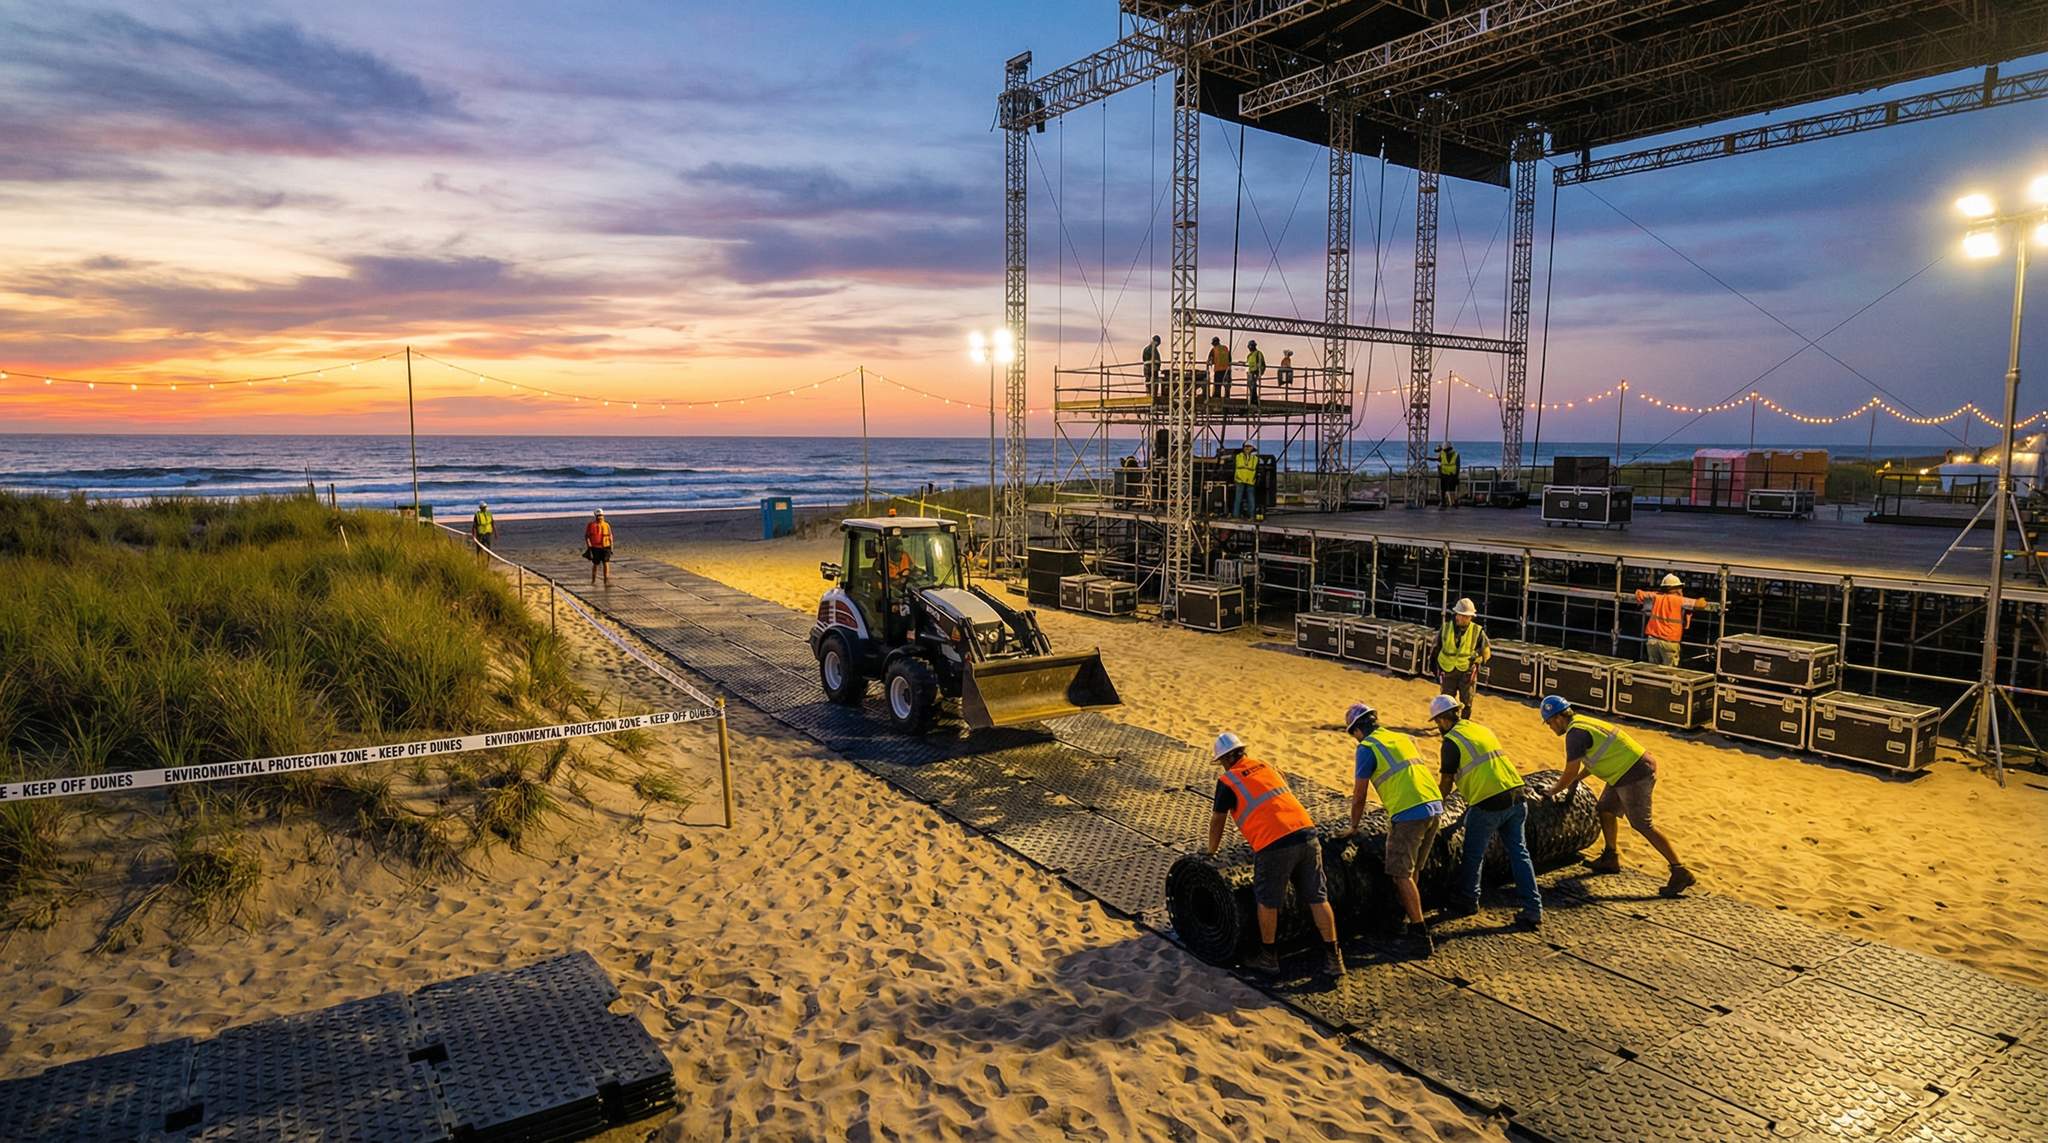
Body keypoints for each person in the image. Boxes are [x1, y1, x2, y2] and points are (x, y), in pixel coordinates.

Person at [1204, 732, 1346, 977]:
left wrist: (1211, 852)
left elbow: (1218, 820)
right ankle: (1334, 958)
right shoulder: (1268, 766)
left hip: (1274, 843)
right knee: (1317, 897)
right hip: (1307, 833)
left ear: (1225, 759)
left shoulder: (1228, 780)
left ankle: (1268, 957)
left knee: (1267, 900)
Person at [1540, 695, 1697, 897]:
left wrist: (1553, 790)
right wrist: (1578, 779)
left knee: (1642, 824)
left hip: (1634, 773)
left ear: (1559, 718)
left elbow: (1569, 770)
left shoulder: (1575, 734)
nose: (1551, 727)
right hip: (1625, 770)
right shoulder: (1583, 723)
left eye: (1550, 722)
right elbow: (1596, 757)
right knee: (1605, 809)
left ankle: (1679, 870)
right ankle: (1610, 857)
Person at [1428, 695, 1541, 930]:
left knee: (1473, 853)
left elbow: (1447, 783)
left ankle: (1468, 899)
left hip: (1488, 803)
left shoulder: (1451, 742)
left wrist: (1435, 807)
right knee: (1520, 853)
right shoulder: (1479, 729)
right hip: (1517, 793)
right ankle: (1533, 908)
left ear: (1441, 719)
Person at [1339, 703, 1441, 958]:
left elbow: (1360, 793)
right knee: (1412, 869)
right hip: (1434, 804)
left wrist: (1353, 826)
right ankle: (1404, 919)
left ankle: (1420, 935)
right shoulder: (1399, 737)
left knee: (1399, 875)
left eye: (1353, 735)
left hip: (1410, 812)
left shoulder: (1367, 748)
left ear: (1358, 730)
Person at [1634, 573, 1714, 667]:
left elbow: (1640, 594)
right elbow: (1700, 604)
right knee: (1669, 672)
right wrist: (1703, 598)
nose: (1681, 589)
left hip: (1652, 641)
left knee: (1653, 669)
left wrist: (1638, 593)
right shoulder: (1680, 600)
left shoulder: (1656, 596)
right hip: (1669, 641)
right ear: (1675, 588)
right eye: (1680, 587)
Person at [1436, 597, 1489, 717]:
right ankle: (1447, 724)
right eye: (1458, 615)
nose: (1458, 617)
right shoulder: (1445, 628)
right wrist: (1435, 666)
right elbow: (1436, 647)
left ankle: (1464, 724)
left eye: (1463, 615)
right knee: (1446, 702)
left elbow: (1486, 650)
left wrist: (1480, 659)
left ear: (1469, 617)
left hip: (1467, 671)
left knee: (1467, 702)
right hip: (1448, 670)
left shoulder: (1477, 630)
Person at [583, 508, 613, 586]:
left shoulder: (606, 525)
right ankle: (593, 581)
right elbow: (587, 536)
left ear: (603, 516)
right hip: (595, 547)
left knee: (606, 563)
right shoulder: (591, 525)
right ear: (595, 516)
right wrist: (589, 546)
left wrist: (611, 546)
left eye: (601, 515)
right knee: (595, 564)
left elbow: (610, 535)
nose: (600, 517)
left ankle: (606, 580)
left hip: (606, 546)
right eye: (598, 516)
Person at [1232, 442, 1259, 520]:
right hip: (1241, 480)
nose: (1247, 448)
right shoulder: (1238, 456)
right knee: (1239, 499)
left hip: (1249, 480)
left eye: (1249, 446)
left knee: (1249, 499)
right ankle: (1237, 516)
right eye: (1246, 446)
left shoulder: (1255, 458)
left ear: (1252, 448)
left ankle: (1250, 516)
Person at [1436, 442, 1460, 509]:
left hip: (1452, 474)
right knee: (1443, 490)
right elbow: (1439, 458)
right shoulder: (1443, 453)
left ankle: (1454, 502)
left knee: (1452, 490)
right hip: (1444, 474)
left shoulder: (1456, 455)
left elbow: (1458, 466)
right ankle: (1444, 502)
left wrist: (1457, 476)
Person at [1207, 337, 1232, 401]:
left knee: (1217, 385)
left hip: (1218, 370)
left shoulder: (1214, 349)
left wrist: (1210, 363)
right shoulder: (1225, 348)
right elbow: (1230, 359)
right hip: (1227, 370)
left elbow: (1209, 360)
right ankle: (1227, 398)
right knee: (1227, 385)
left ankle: (1217, 398)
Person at [1244, 340, 1266, 405]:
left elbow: (1262, 364)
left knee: (1253, 386)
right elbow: (1248, 364)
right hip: (1249, 372)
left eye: (1250, 346)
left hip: (1254, 372)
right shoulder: (1249, 355)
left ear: (1253, 346)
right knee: (1250, 386)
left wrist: (1260, 373)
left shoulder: (1258, 353)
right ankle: (1253, 399)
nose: (1249, 348)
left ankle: (1254, 401)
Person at [1141, 334, 1162, 401]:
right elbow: (1147, 359)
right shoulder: (1151, 349)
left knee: (1150, 382)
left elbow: (1144, 359)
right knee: (1152, 382)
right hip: (1151, 369)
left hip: (1149, 369)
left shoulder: (1148, 349)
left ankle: (1150, 394)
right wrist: (1154, 365)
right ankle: (1152, 395)